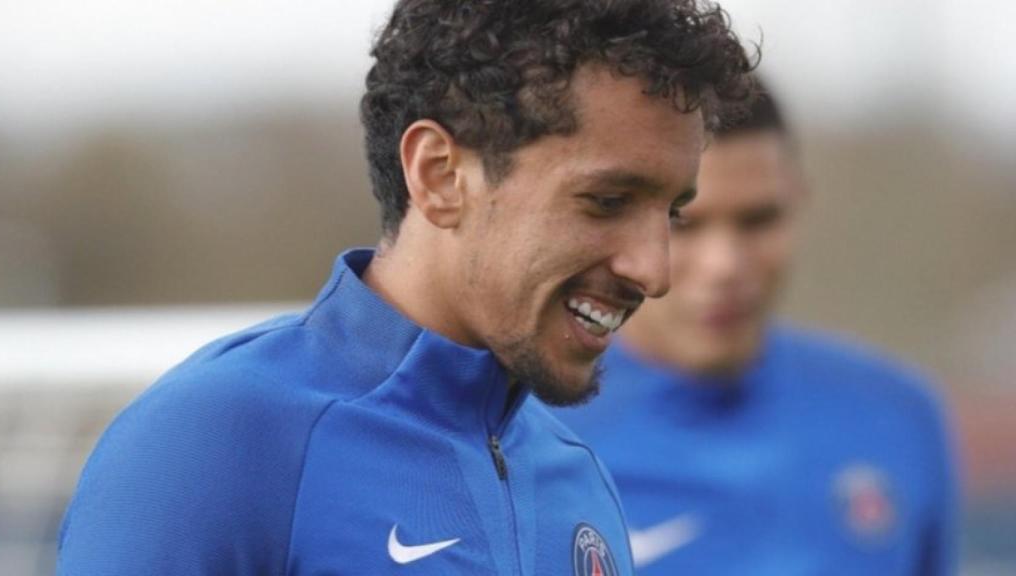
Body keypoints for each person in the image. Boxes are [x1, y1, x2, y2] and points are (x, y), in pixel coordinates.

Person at [55, 1, 755, 574]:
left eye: (671, 213)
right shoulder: (215, 443)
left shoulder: (578, 483)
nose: (655, 271)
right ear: (440, 174)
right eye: (606, 201)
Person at [553, 80, 960, 575]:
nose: (725, 264)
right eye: (684, 223)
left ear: (798, 202)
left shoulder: (896, 416)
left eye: (757, 220)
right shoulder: (530, 430)